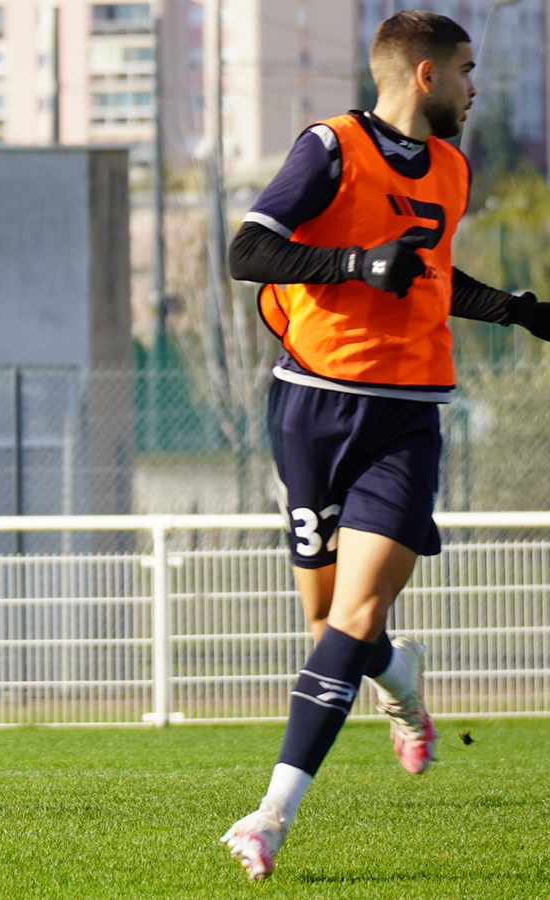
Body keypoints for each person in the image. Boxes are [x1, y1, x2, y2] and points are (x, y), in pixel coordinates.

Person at [221, 10, 550, 880]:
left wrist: (515, 310)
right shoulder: (330, 148)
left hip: (405, 418)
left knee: (353, 619)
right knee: (329, 624)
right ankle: (400, 678)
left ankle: (270, 817)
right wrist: (355, 264)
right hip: (311, 408)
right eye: (468, 71)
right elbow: (248, 252)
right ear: (426, 75)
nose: (477, 89)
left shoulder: (453, 168)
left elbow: (429, 279)